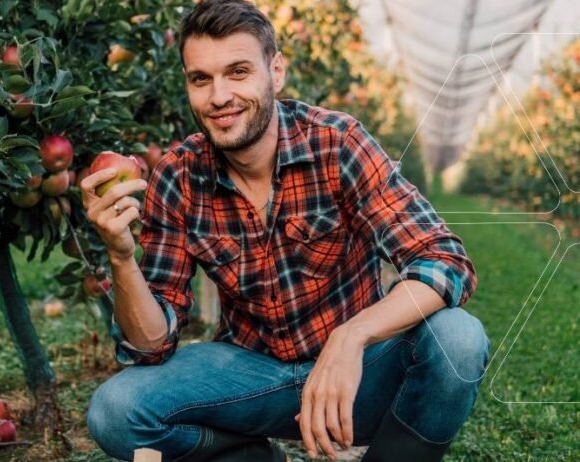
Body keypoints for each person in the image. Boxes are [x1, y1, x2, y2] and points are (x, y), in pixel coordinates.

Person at [81, 1, 490, 461]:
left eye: (238, 72)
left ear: (275, 72)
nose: (219, 97)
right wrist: (120, 257)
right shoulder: (178, 176)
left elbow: (444, 260)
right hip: (252, 377)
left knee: (458, 338)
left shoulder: (337, 143)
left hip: (356, 377)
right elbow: (151, 346)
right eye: (201, 79)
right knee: (116, 411)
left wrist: (350, 337)